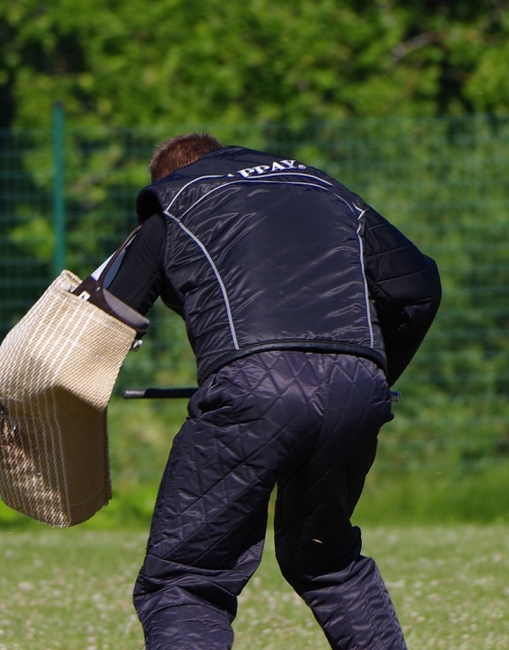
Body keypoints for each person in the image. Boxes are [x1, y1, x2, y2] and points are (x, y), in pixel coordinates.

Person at [103, 133, 442, 649]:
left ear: (165, 177)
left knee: (185, 581)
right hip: (358, 384)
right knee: (327, 560)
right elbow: (419, 286)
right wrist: (370, 374)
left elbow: (102, 319)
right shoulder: (323, 188)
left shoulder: (173, 202)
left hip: (251, 386)